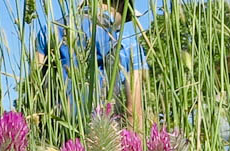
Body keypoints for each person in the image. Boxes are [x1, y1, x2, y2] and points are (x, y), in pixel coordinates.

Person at [34, 0, 147, 131]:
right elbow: (133, 110)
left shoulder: (49, 30)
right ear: (121, 5)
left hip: (55, 132)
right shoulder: (129, 44)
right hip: (102, 137)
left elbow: (35, 84)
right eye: (126, 17)